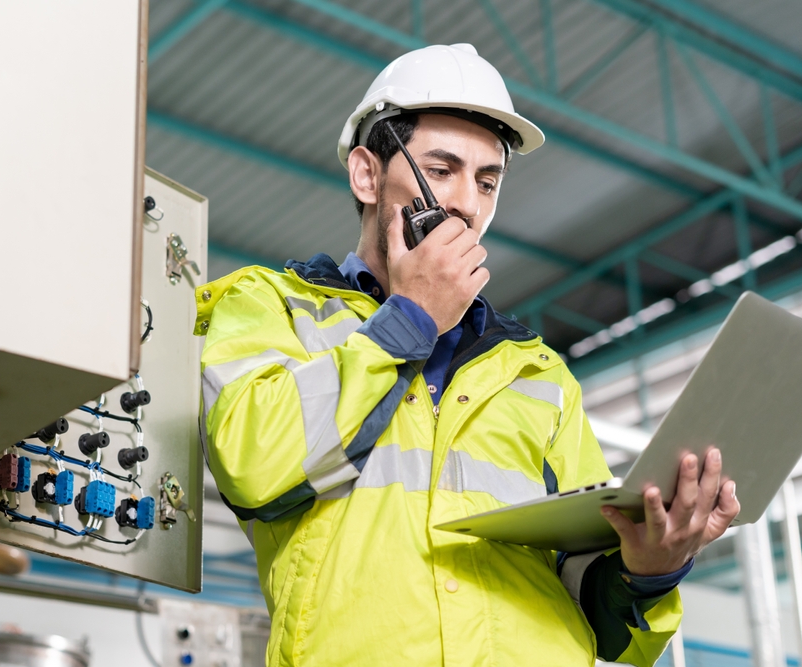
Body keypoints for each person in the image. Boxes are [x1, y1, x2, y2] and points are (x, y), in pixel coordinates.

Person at [195, 43, 739, 667]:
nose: (468, 205)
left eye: (487, 181)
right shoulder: (272, 307)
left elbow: (601, 616)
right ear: (367, 174)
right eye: (443, 169)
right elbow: (254, 468)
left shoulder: (538, 374)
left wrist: (647, 571)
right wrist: (411, 318)